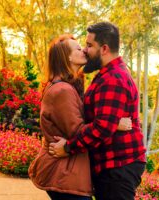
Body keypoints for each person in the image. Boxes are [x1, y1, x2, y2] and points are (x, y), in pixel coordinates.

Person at [49, 22, 147, 200]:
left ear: (104, 49)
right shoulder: (105, 75)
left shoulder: (112, 79)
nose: (85, 50)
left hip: (118, 166)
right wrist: (114, 124)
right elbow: (101, 122)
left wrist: (68, 147)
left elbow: (101, 128)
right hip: (112, 165)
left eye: (89, 45)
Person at [28, 34, 132, 200]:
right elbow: (77, 132)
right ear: (67, 56)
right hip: (64, 174)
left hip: (68, 172)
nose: (84, 50)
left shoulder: (66, 86)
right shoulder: (63, 90)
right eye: (77, 48)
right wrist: (112, 123)